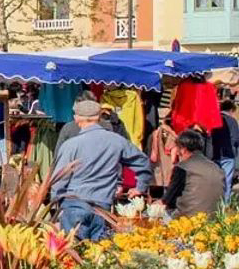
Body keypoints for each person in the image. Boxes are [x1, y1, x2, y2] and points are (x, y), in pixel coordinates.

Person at [51, 99, 152, 242]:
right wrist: (140, 186)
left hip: (73, 205)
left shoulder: (70, 145)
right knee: (97, 256)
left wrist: (56, 204)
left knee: (71, 256)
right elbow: (142, 162)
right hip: (102, 206)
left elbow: (59, 180)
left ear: (77, 118)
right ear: (99, 117)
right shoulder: (116, 141)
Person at [164, 128, 226, 217]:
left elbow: (167, 200)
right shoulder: (216, 167)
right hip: (215, 220)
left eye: (178, 149)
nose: (177, 153)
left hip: (188, 221)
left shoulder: (182, 167)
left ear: (183, 150)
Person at [56, 90, 129, 151]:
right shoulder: (109, 125)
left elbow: (59, 154)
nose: (73, 107)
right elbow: (124, 148)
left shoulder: (69, 128)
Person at [212, 100, 238, 202]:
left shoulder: (214, 118)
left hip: (214, 153)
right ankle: (224, 204)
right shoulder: (232, 121)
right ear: (231, 109)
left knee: (214, 179)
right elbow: (236, 138)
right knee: (227, 180)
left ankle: (213, 201)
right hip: (228, 154)